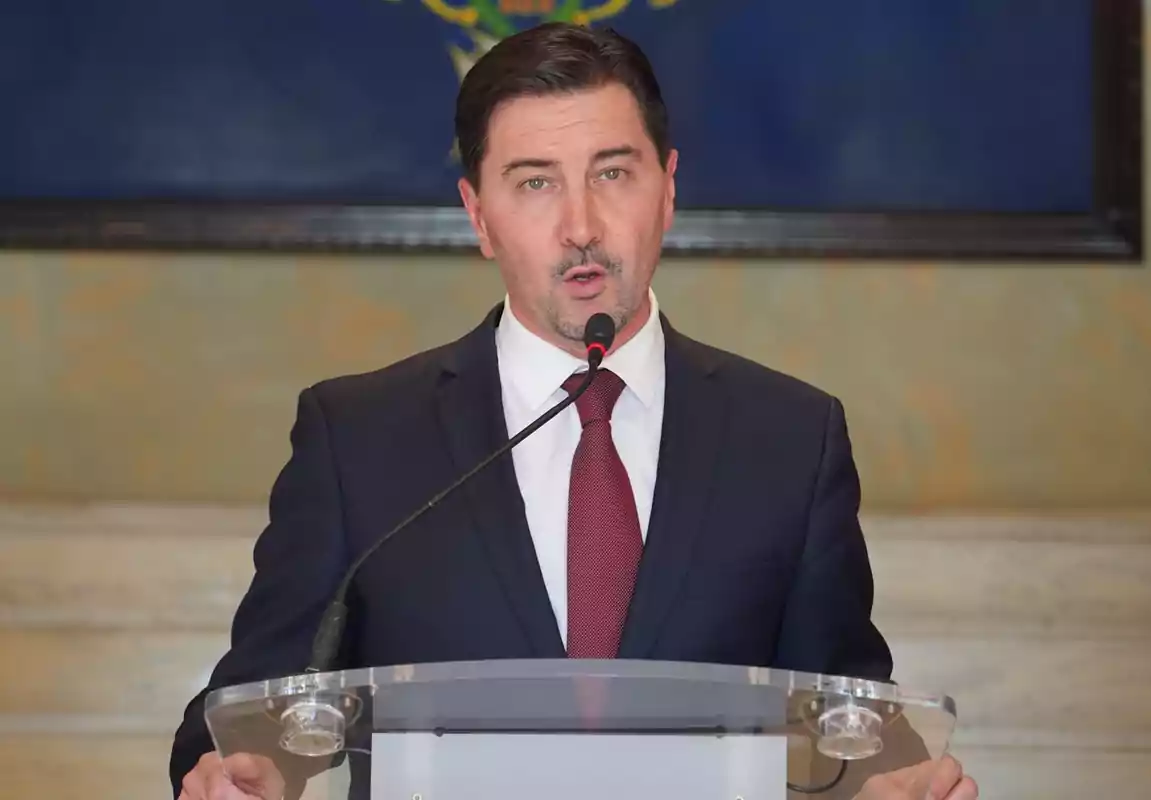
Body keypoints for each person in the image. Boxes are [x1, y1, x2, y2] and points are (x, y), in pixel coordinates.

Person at [171, 22, 978, 800]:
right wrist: (235, 771)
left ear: (668, 189)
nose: (581, 227)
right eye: (534, 182)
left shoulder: (793, 439)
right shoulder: (358, 437)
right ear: (478, 215)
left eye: (612, 173)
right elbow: (252, 709)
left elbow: (850, 721)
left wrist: (891, 783)